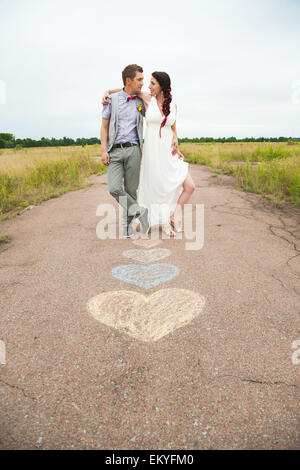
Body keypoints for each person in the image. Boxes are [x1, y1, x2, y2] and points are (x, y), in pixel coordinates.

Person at [102, 70, 195, 237]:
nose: (148, 86)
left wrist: (176, 141)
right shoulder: (146, 99)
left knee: (189, 186)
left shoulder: (173, 104)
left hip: (168, 150)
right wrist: (107, 92)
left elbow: (173, 127)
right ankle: (162, 220)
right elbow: (126, 88)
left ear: (162, 86)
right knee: (157, 185)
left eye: (152, 83)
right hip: (152, 150)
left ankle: (174, 216)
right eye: (148, 82)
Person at [100, 64, 150, 238]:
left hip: (134, 150)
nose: (142, 83)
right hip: (114, 150)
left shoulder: (140, 100)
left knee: (130, 189)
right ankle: (140, 211)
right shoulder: (111, 100)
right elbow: (104, 126)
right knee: (114, 188)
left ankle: (127, 227)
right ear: (128, 80)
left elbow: (156, 99)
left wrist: (108, 89)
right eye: (139, 79)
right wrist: (103, 150)